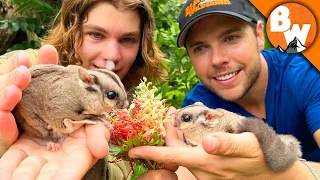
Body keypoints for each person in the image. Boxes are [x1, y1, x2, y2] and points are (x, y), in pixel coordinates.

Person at [127, 0, 320, 179]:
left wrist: (283, 175)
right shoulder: (198, 106)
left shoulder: (308, 75)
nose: (217, 59)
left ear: (259, 36)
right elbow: (194, 170)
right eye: (200, 48)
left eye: (231, 38)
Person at [0, 0, 167, 179]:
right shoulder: (24, 68)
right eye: (96, 35)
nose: (111, 55)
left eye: (127, 40)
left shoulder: (137, 108)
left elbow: (121, 168)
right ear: (71, 30)